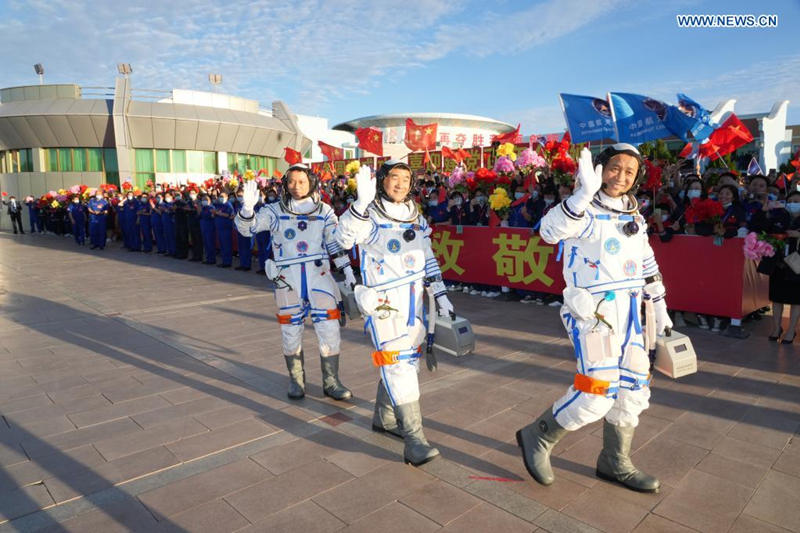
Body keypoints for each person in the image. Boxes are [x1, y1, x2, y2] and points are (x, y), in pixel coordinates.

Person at [517, 144, 669, 493]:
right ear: (600, 169)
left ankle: (615, 461)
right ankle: (538, 436)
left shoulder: (634, 214)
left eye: (630, 172)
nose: (622, 177)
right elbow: (549, 231)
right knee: (597, 392)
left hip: (632, 315)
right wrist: (581, 195)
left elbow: (647, 264)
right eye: (615, 168)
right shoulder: (582, 211)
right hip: (595, 315)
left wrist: (659, 308)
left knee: (633, 389)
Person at [335, 160, 455, 467]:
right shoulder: (369, 213)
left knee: (408, 361)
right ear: (382, 181)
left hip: (415, 300)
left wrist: (440, 294)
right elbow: (344, 239)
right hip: (384, 301)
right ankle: (415, 439)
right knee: (398, 363)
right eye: (393, 178)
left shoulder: (415, 214)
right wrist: (360, 204)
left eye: (405, 178)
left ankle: (384, 417)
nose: (400, 184)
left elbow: (426, 255)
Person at [236, 165, 355, 402]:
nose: (296, 186)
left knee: (329, 329)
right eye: (291, 181)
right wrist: (248, 210)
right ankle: (296, 380)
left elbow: (334, 243)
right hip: (287, 278)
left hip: (319, 276)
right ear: (285, 184)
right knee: (290, 331)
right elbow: (248, 229)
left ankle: (331, 381)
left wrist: (348, 272)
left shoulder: (324, 211)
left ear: (311, 182)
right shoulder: (273, 210)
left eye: (302, 181)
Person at [214, 191, 234, 268]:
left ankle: (228, 262)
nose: (221, 198)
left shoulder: (228, 205)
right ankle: (224, 261)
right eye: (220, 197)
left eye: (222, 196)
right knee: (222, 245)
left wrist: (219, 213)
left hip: (226, 228)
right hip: (220, 228)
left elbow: (230, 215)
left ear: (226, 197)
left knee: (226, 245)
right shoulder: (220, 205)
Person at [234, 189, 253, 271]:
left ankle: (247, 265)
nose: (239, 197)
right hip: (239, 228)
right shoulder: (237, 204)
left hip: (246, 229)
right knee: (241, 247)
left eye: (241, 196)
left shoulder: (248, 205)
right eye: (238, 196)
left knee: (246, 247)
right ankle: (242, 263)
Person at [198, 193, 217, 265]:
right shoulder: (202, 208)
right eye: (203, 200)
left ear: (209, 201)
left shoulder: (211, 207)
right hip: (203, 227)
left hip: (210, 228)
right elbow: (199, 216)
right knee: (206, 243)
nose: (204, 201)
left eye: (206, 200)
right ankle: (208, 258)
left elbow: (212, 216)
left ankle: (212, 259)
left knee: (210, 243)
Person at [187, 189, 203, 262]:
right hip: (191, 222)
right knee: (193, 240)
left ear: (196, 193)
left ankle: (199, 256)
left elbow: (199, 212)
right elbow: (186, 209)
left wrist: (193, 209)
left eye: (193, 193)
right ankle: (194, 255)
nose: (192, 194)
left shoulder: (199, 202)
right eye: (190, 193)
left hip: (197, 223)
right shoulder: (189, 202)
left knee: (198, 240)